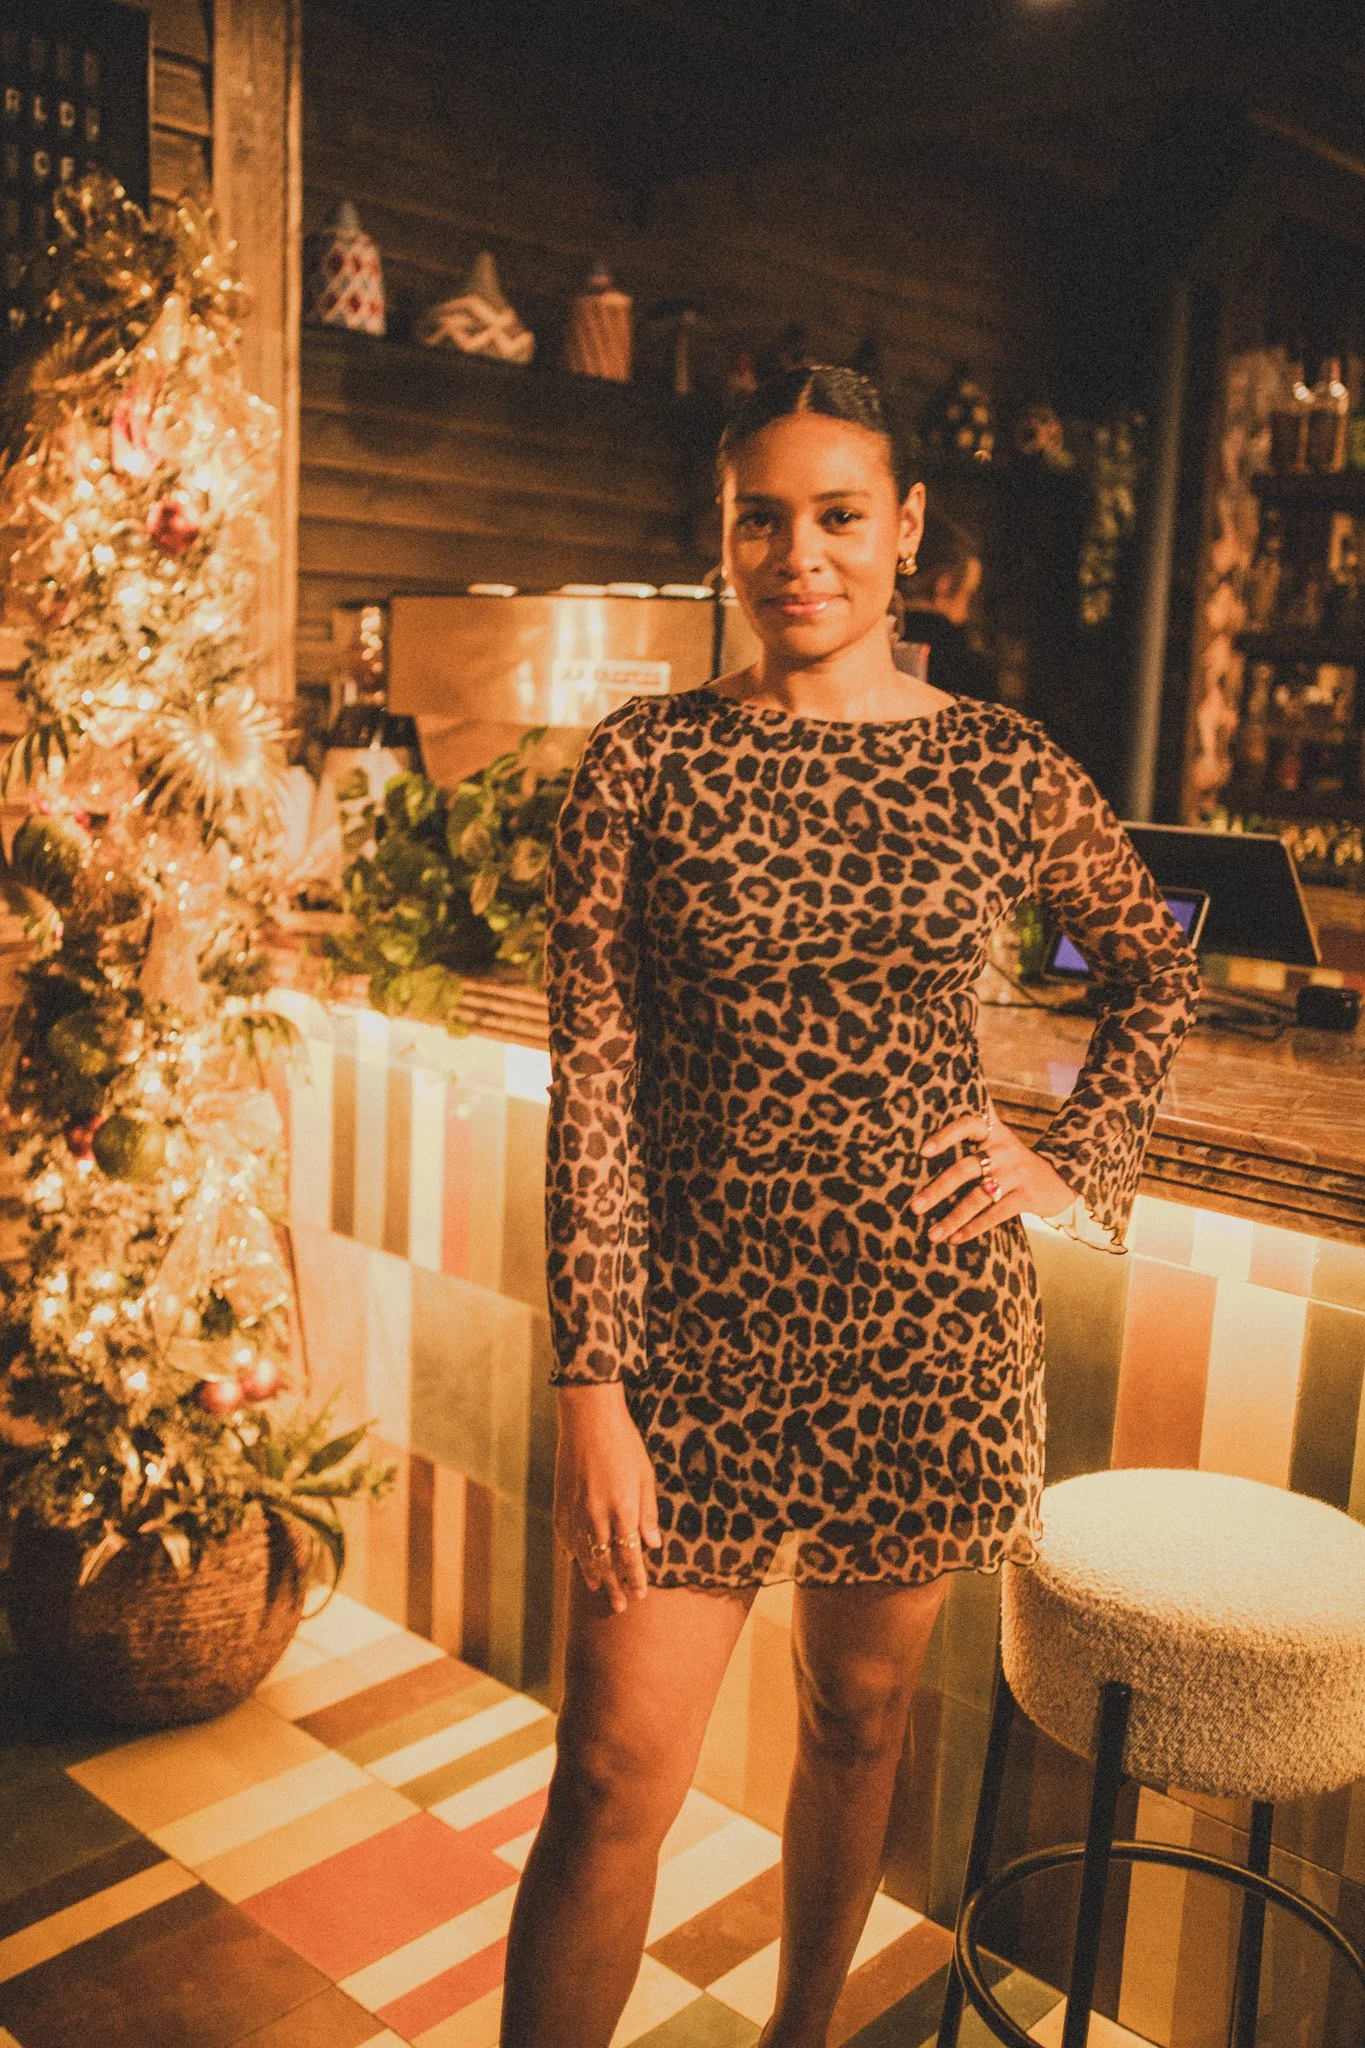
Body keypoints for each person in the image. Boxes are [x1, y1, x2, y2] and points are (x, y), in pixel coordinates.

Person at [500, 366, 1199, 2048]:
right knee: (607, 1779)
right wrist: (593, 1376)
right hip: (688, 1341)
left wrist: (1073, 1158)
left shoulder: (1000, 764)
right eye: (762, 515)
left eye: (836, 514)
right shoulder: (646, 760)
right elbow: (595, 1085)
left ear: (906, 535)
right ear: (723, 536)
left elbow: (1157, 970)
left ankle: (801, 2033)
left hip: (923, 1323)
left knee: (859, 1717)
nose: (797, 550)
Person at [895, 505, 998, 702]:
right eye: (967, 596)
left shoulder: (864, 646)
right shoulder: (968, 668)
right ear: (942, 585)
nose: (966, 614)